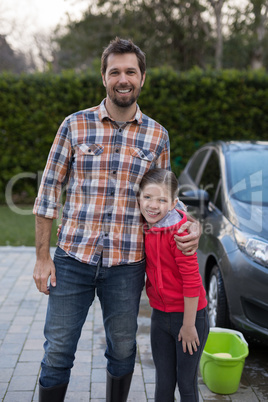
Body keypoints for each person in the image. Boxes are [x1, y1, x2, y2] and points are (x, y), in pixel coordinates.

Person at [33, 37, 201, 402]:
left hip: (126, 266)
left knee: (123, 352)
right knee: (58, 352)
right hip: (72, 260)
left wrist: (193, 224)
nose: (122, 79)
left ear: (142, 79)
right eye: (115, 72)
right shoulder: (74, 126)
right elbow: (48, 192)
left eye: (130, 71)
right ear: (103, 78)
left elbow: (165, 199)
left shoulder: (158, 136)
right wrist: (43, 257)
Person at [138, 168, 209, 402]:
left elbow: (192, 281)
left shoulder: (180, 234)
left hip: (189, 317)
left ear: (173, 203)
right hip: (160, 316)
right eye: (147, 197)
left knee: (186, 383)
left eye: (162, 200)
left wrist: (189, 326)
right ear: (139, 197)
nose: (153, 205)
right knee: (163, 383)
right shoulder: (147, 226)